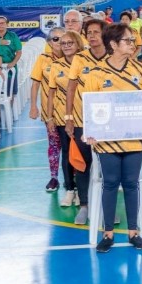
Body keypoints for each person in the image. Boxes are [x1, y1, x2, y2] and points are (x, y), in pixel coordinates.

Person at [83, 24, 142, 252]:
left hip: (135, 140)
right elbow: (89, 107)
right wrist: (90, 132)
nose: (133, 44)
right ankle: (108, 234)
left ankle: (133, 232)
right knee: (110, 183)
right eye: (128, 40)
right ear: (113, 44)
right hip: (107, 141)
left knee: (131, 184)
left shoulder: (141, 71)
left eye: (133, 40)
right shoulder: (96, 73)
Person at [64, 18, 109, 225]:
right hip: (83, 121)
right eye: (88, 32)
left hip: (109, 124)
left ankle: (106, 207)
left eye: (96, 32)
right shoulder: (80, 59)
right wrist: (69, 117)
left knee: (108, 167)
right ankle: (84, 206)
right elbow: (71, 89)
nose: (91, 36)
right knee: (83, 165)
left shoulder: (113, 57)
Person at [47, 30, 82, 208]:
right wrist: (49, 117)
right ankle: (70, 189)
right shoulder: (56, 66)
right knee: (67, 153)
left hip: (83, 116)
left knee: (84, 154)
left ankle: (82, 191)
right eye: (63, 43)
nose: (66, 46)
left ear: (78, 44)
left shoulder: (86, 63)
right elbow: (51, 94)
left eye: (70, 43)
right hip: (62, 117)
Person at [30, 26, 65, 192]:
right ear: (49, 43)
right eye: (56, 39)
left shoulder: (75, 59)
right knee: (54, 144)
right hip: (50, 111)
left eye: (63, 38)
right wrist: (33, 107)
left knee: (72, 146)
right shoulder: (43, 59)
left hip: (72, 112)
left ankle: (73, 179)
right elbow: (35, 82)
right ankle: (54, 177)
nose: (60, 42)